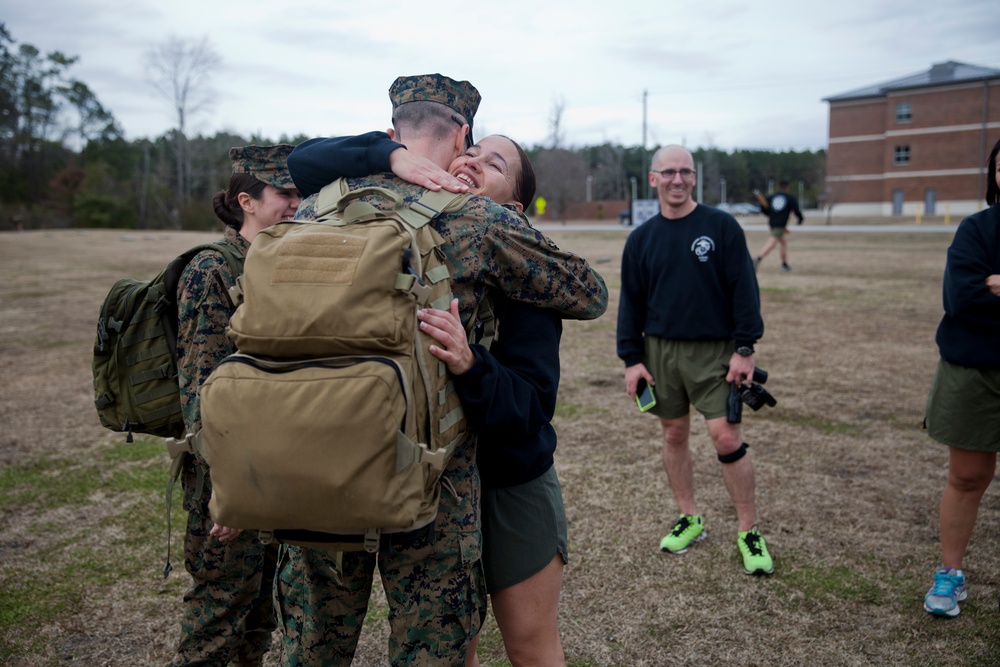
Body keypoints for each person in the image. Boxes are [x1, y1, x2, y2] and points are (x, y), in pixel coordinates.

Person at [275, 74, 607, 666]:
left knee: (312, 649)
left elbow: (299, 159)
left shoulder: (315, 205)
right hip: (428, 477)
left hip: (312, 454)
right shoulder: (479, 220)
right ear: (462, 134)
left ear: (390, 132)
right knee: (433, 650)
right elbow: (588, 294)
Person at [616, 144, 774, 576]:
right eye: (668, 172)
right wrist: (632, 359)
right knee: (674, 434)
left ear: (694, 177)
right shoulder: (642, 239)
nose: (678, 180)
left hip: (715, 351)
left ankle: (748, 530)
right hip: (660, 352)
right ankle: (691, 517)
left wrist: (745, 348)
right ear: (654, 180)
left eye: (685, 172)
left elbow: (745, 289)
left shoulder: (720, 227)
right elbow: (630, 304)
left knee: (725, 437)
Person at [171, 145, 301, 666]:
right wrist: (227, 486)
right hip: (229, 474)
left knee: (260, 619)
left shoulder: (278, 263)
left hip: (277, 469)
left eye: (300, 193)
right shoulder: (212, 270)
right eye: (284, 194)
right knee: (218, 618)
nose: (296, 204)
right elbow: (202, 391)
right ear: (246, 200)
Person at [922, 136, 1000, 618]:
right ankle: (950, 575)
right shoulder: (976, 230)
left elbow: (984, 294)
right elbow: (963, 300)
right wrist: (985, 286)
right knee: (968, 476)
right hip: (974, 372)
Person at [753, 179, 804, 272]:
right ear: (787, 187)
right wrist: (800, 219)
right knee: (772, 242)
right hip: (780, 224)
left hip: (772, 222)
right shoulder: (789, 198)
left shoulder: (772, 197)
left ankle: (784, 264)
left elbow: (763, 208)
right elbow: (796, 210)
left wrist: (770, 214)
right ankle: (758, 259)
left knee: (783, 242)